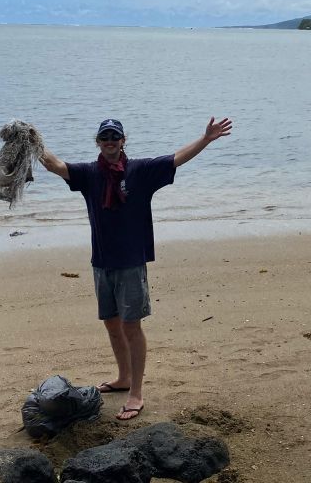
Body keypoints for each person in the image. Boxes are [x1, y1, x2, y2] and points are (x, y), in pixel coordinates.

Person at [39, 116, 232, 420]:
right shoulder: (89, 174)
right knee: (112, 324)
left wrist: (205, 139)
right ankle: (123, 377)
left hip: (130, 262)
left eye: (115, 136)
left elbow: (176, 159)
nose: (110, 141)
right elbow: (56, 165)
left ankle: (136, 392)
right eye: (105, 137)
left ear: (123, 140)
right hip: (101, 263)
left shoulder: (140, 171)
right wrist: (29, 140)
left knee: (131, 326)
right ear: (98, 142)